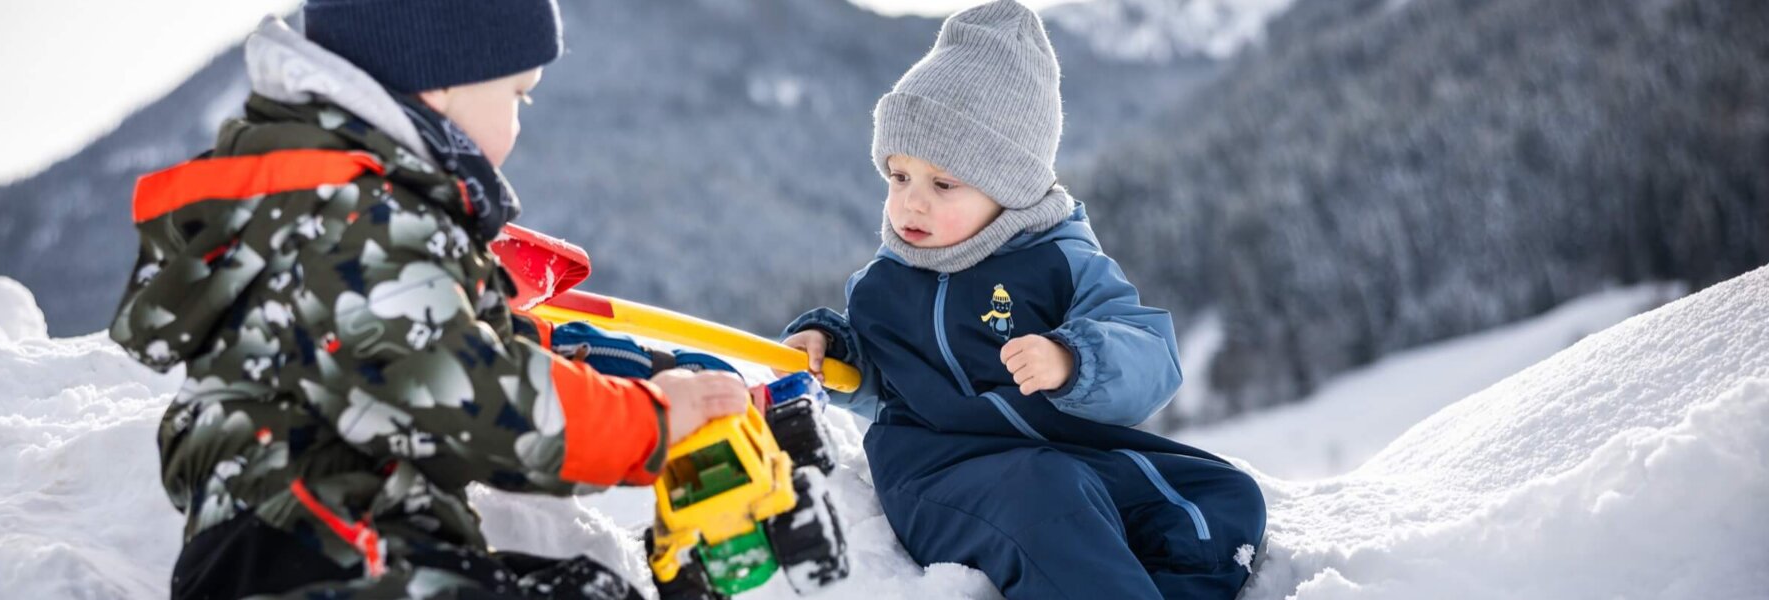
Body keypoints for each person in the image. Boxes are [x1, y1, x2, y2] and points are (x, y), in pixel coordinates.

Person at [108, 2, 746, 598]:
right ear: (442, 82)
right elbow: (477, 396)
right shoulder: (354, 223)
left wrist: (636, 372)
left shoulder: (339, 208)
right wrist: (652, 421)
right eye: (517, 95)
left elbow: (478, 341)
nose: (519, 122)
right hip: (315, 553)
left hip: (320, 545)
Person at [780, 2, 1266, 597]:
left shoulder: (1061, 261)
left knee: (1219, 495)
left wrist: (1074, 361)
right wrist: (829, 348)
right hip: (940, 475)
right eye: (898, 177)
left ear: (1008, 187)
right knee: (1045, 501)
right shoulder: (886, 284)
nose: (911, 204)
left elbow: (1151, 356)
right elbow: (877, 375)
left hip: (1069, 454)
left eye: (943, 183)